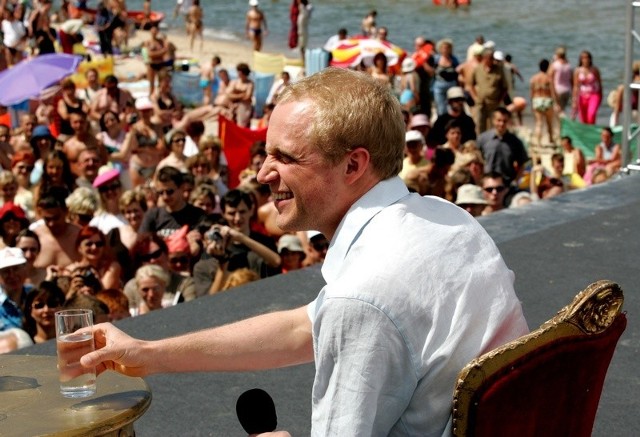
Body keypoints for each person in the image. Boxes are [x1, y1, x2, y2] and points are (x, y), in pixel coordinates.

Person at [79, 68, 527, 436]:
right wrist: (148, 353)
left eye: (285, 157)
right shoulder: (448, 220)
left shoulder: (364, 295)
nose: (262, 173)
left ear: (354, 164)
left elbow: (351, 312)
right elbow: (304, 328)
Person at [477, 107, 528, 187]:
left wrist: (516, 181)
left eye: (504, 121)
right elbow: (477, 160)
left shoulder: (515, 142)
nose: (501, 124)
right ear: (493, 121)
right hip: (487, 183)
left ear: (509, 121)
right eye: (499, 120)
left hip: (507, 184)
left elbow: (522, 164)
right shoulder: (482, 139)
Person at [471, 45, 509, 134]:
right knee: (480, 124)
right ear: (484, 58)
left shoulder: (499, 69)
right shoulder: (478, 69)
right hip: (481, 103)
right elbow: (471, 85)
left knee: (494, 126)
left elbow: (505, 87)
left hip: (494, 103)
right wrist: (475, 97)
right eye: (489, 58)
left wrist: (500, 100)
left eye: (492, 58)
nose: (491, 60)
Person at [529, 59, 556, 147]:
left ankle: (538, 142)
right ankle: (551, 139)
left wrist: (532, 103)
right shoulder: (548, 78)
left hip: (537, 100)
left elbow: (532, 92)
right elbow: (552, 92)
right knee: (549, 122)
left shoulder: (534, 78)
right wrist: (555, 102)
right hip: (547, 100)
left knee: (539, 123)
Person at [572, 50, 602, 124]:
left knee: (591, 114)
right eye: (583, 58)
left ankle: (592, 129)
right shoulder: (577, 70)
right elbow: (575, 86)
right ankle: (586, 133)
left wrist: (601, 95)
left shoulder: (594, 70)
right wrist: (574, 100)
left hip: (594, 94)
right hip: (582, 95)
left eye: (587, 58)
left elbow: (600, 83)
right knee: (583, 118)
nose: (585, 60)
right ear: (580, 59)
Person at [548, 46, 573, 118]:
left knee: (558, 110)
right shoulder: (568, 65)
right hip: (567, 90)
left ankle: (562, 124)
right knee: (562, 109)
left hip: (558, 89)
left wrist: (552, 93)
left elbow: (550, 78)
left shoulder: (555, 65)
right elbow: (571, 79)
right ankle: (561, 126)